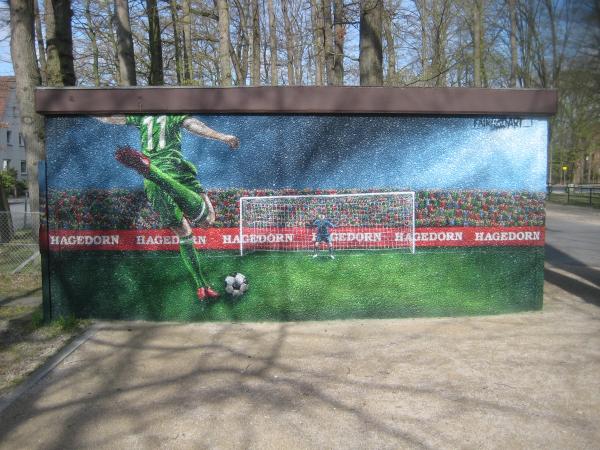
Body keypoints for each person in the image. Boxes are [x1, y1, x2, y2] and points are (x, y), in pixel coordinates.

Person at [94, 114, 239, 301]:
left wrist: (82, 107)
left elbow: (111, 118)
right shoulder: (173, 114)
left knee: (184, 234)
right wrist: (222, 136)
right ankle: (154, 173)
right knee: (207, 220)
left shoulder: (141, 117)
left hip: (152, 183)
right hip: (176, 169)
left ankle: (202, 287)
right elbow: (193, 125)